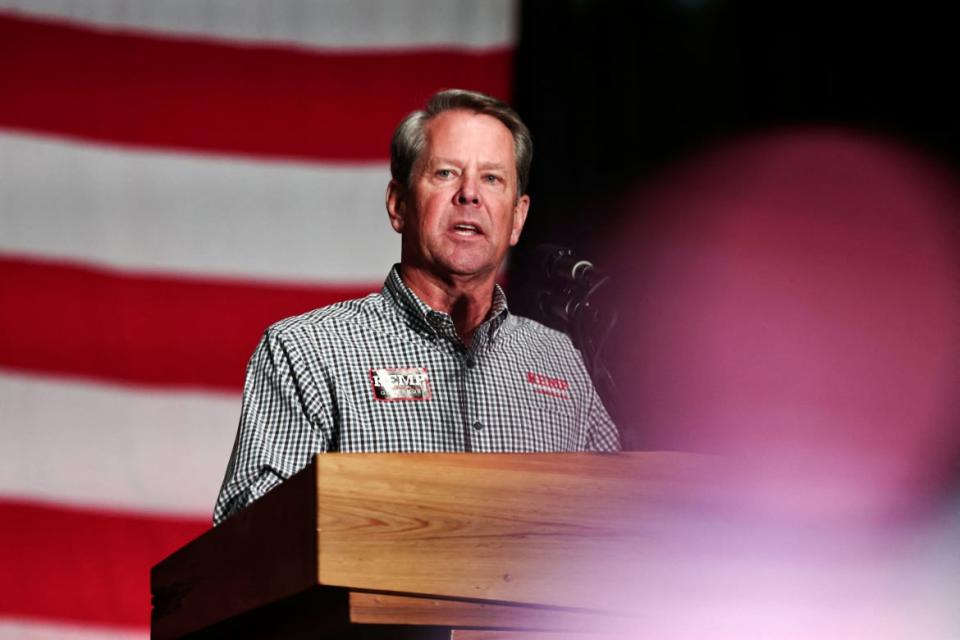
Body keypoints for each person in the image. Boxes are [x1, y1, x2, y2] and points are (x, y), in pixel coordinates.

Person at [213, 89, 620, 525]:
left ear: (517, 218)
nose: (469, 195)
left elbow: (623, 526)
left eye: (492, 179)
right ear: (399, 205)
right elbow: (248, 534)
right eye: (446, 173)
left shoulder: (561, 360)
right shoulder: (306, 352)